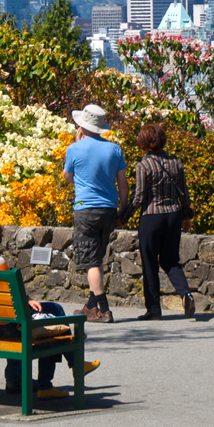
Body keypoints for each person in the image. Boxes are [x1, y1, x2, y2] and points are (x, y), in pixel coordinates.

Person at [0, 215, 99, 399]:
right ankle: (55, 379)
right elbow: (13, 298)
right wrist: (26, 302)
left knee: (47, 314)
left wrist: (25, 300)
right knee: (54, 314)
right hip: (9, 326)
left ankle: (24, 379)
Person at [120, 122, 195, 321]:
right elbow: (184, 194)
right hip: (173, 214)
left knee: (150, 263)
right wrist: (187, 216)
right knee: (170, 260)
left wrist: (124, 218)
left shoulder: (143, 165)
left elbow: (139, 197)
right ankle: (186, 294)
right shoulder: (176, 163)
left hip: (151, 217)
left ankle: (153, 310)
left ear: (143, 143)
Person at [63, 103, 128, 323]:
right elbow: (123, 185)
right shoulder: (114, 149)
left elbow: (68, 177)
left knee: (90, 261)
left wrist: (76, 142)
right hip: (109, 209)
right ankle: (90, 306)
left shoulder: (74, 149)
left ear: (82, 125)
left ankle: (103, 308)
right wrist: (123, 209)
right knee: (97, 257)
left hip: (86, 209)